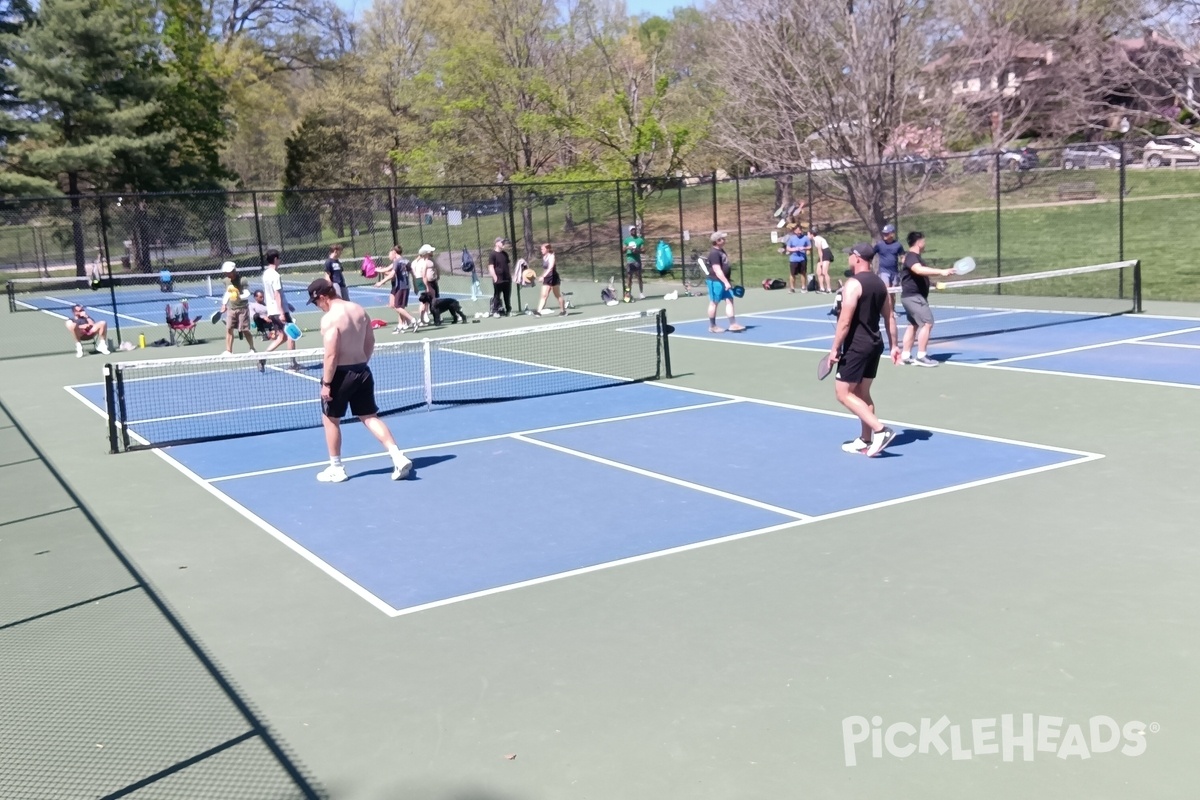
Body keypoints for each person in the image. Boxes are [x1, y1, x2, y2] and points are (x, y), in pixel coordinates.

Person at [306, 277, 413, 483]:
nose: (318, 307)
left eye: (316, 302)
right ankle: (398, 456)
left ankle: (336, 468)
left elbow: (331, 355)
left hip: (340, 375)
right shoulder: (359, 310)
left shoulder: (329, 319)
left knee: (330, 420)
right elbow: (370, 341)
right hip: (362, 371)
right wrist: (361, 363)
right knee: (370, 417)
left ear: (321, 297)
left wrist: (327, 384)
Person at [828, 243, 899, 457]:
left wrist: (834, 349)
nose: (848, 257)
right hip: (874, 344)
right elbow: (890, 317)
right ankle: (865, 439)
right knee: (862, 392)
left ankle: (880, 430)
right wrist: (894, 345)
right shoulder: (880, 284)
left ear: (857, 258)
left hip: (857, 346)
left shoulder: (853, 284)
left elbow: (845, 321)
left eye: (850, 254)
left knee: (843, 393)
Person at [899, 231, 954, 367]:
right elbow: (918, 270)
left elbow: (919, 277)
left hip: (911, 297)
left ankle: (905, 356)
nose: (925, 244)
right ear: (919, 242)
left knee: (913, 325)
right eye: (924, 241)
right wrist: (941, 271)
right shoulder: (912, 257)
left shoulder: (914, 257)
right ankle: (921, 356)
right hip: (914, 297)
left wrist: (935, 284)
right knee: (927, 323)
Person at [261, 250, 301, 368]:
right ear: (275, 260)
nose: (280, 261)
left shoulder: (266, 274)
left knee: (282, 337)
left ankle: (262, 357)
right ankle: (293, 364)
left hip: (273, 311)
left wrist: (287, 304)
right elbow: (277, 294)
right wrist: (282, 312)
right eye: (279, 259)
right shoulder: (275, 275)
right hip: (279, 311)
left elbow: (273, 295)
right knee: (291, 336)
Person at [705, 231, 745, 334]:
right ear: (717, 241)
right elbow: (717, 270)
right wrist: (725, 282)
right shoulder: (714, 253)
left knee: (729, 300)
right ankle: (712, 326)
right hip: (716, 282)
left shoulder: (721, 251)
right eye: (722, 238)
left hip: (724, 281)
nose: (724, 240)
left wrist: (727, 281)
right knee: (714, 302)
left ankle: (733, 324)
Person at [374, 245, 418, 333]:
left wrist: (381, 282)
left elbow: (391, 275)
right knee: (400, 306)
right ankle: (401, 326)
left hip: (400, 286)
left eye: (390, 253)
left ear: (394, 252)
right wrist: (415, 286)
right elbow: (413, 274)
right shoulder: (406, 261)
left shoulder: (397, 262)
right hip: (406, 286)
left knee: (397, 307)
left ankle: (412, 320)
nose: (389, 255)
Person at [220, 261, 258, 357]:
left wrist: (239, 297)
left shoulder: (242, 280)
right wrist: (224, 304)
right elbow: (228, 293)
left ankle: (252, 349)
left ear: (234, 270)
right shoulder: (226, 281)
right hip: (231, 309)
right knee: (229, 329)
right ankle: (229, 351)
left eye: (229, 272)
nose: (227, 274)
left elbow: (247, 293)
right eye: (226, 273)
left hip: (242, 309)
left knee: (245, 330)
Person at [535, 242, 567, 316]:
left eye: (542, 249)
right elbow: (545, 269)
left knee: (557, 295)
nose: (541, 250)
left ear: (547, 249)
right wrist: (542, 276)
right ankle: (538, 312)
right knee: (543, 295)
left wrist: (543, 276)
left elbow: (550, 268)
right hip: (547, 279)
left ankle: (563, 311)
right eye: (541, 249)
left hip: (553, 278)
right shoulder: (544, 257)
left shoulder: (551, 256)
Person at [487, 237, 513, 316]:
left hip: (507, 279)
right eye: (502, 242)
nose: (503, 244)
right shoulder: (493, 254)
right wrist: (495, 277)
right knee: (497, 296)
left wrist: (510, 275)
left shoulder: (505, 254)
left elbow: (508, 265)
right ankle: (495, 311)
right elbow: (491, 267)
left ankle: (508, 310)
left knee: (507, 296)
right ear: (497, 243)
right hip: (498, 279)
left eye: (504, 242)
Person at [784, 225, 811, 293]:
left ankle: (803, 287)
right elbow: (788, 248)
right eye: (797, 230)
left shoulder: (805, 238)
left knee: (803, 273)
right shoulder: (791, 238)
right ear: (794, 231)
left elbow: (809, 246)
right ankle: (792, 288)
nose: (799, 232)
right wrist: (794, 249)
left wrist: (803, 248)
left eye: (800, 230)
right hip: (793, 259)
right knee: (792, 274)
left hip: (802, 259)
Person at [623, 225, 645, 300]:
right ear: (630, 231)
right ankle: (628, 294)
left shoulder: (640, 240)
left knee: (639, 277)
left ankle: (641, 293)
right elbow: (622, 251)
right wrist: (627, 248)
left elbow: (643, 250)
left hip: (637, 261)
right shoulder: (626, 240)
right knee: (629, 278)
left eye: (634, 230)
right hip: (630, 261)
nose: (633, 231)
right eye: (632, 230)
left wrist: (637, 250)